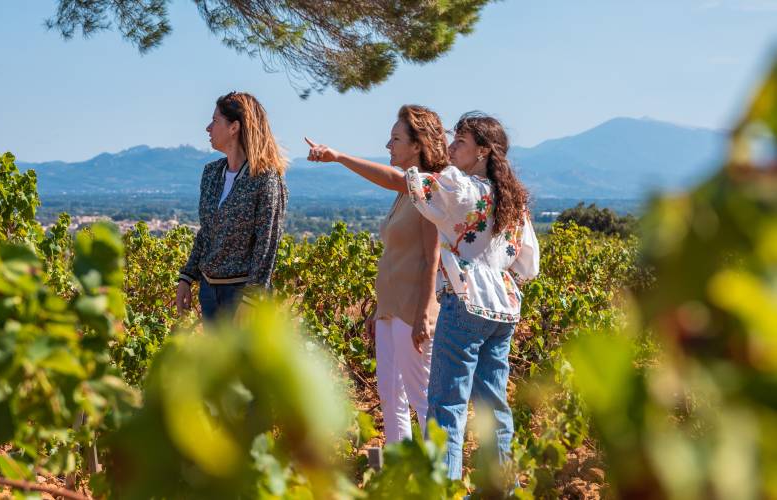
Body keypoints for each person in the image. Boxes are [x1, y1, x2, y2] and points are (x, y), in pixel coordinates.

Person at [307, 111, 539, 480]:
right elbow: (527, 264)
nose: (451, 147)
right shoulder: (513, 202)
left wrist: (339, 157)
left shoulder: (460, 187)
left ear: (482, 152)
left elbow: (401, 181)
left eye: (461, 142)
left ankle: (442, 489)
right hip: (504, 309)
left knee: (445, 408)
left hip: (464, 302)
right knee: (494, 410)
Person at [304, 105, 447, 443]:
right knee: (390, 396)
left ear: (417, 145)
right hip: (390, 309)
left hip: (414, 310)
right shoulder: (403, 194)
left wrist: (338, 157)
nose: (388, 146)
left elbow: (431, 258)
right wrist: (378, 310)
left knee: (422, 398)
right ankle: (400, 475)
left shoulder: (428, 188)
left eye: (396, 139)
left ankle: (439, 479)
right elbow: (397, 255)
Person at [176, 92, 289, 320]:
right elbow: (206, 232)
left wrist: (252, 298)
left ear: (234, 127)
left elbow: (267, 243)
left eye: (215, 121)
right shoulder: (211, 173)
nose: (208, 128)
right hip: (209, 292)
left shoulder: (265, 179)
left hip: (242, 295)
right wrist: (187, 277)